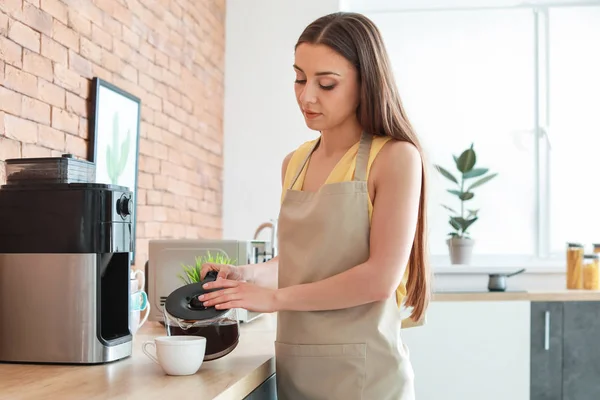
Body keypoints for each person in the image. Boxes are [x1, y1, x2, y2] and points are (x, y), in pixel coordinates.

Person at [198, 11, 431, 400]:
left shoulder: (395, 158)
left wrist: (273, 299)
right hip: (298, 372)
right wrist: (247, 276)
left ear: (365, 82)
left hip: (366, 379)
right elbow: (304, 265)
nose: (307, 96)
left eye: (326, 84)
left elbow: (379, 279)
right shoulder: (294, 162)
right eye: (300, 79)